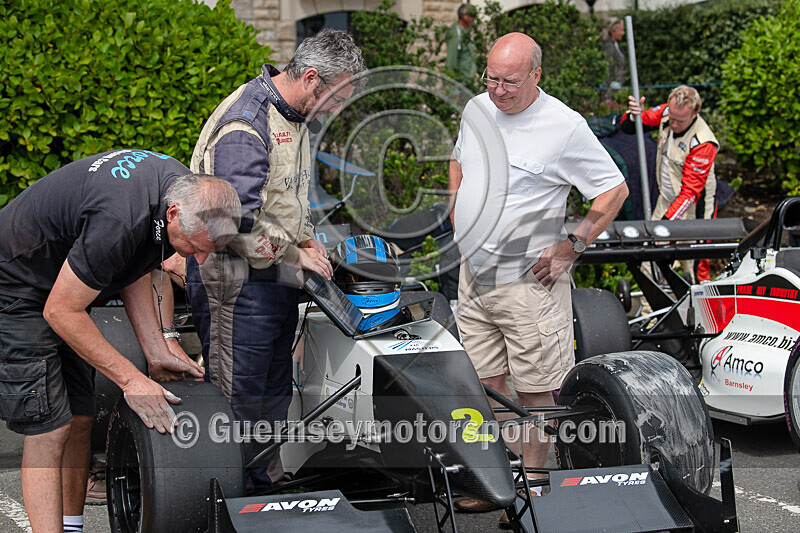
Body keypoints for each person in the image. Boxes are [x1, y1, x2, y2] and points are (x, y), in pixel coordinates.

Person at [0, 149, 241, 533]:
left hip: (63, 288)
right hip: (16, 286)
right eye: (193, 248)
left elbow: (134, 267)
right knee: (49, 427)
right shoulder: (120, 218)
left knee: (79, 418)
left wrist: (156, 350)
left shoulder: (179, 189)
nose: (195, 261)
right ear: (174, 214)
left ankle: (73, 526)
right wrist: (131, 380)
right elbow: (61, 312)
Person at [448, 33, 628, 523]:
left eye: (509, 80)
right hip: (473, 276)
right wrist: (454, 208)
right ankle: (504, 483)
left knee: (534, 390)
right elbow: (459, 160)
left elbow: (613, 188)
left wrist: (575, 245)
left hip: (530, 282)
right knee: (486, 386)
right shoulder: (476, 108)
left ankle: (533, 494)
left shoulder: (564, 126)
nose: (498, 89)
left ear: (536, 75)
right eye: (491, 77)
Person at [185, 29, 365, 494]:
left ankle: (264, 488)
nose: (336, 110)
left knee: (272, 391)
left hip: (272, 276)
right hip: (234, 281)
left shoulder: (293, 113)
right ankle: (227, 499)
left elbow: (284, 197)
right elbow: (235, 221)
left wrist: (309, 240)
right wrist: (296, 254)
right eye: (337, 98)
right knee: (237, 397)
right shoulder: (247, 126)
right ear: (310, 79)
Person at [621, 85, 718, 281]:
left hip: (694, 211)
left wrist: (665, 226)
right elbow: (632, 126)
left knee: (693, 268)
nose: (672, 123)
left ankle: (695, 307)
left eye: (679, 121)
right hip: (666, 200)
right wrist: (634, 115)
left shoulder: (703, 143)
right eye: (671, 118)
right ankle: (654, 308)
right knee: (650, 260)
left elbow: (690, 193)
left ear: (694, 113)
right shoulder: (668, 112)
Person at [445, 4, 478, 85]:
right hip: (460, 82)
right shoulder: (455, 33)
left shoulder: (467, 32)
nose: (474, 19)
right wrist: (452, 86)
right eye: (472, 15)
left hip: (468, 81)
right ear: (464, 15)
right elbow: (451, 60)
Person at [600, 17, 627, 106]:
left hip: (616, 88)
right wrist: (607, 95)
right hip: (610, 90)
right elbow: (607, 69)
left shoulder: (616, 45)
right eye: (621, 30)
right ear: (612, 31)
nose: (623, 33)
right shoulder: (608, 46)